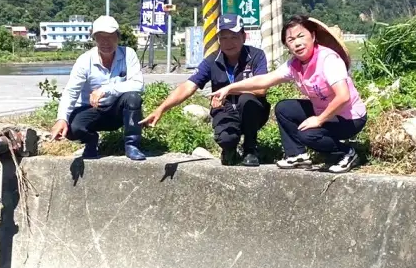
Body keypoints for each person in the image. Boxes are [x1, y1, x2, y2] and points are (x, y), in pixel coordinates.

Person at [214, 15, 367, 173]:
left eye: (301, 36)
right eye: (291, 39)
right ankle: (297, 155)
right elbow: (264, 80)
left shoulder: (328, 59)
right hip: (324, 110)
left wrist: (319, 120)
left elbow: (343, 97)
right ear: (287, 45)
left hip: (350, 118)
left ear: (313, 37)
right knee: (284, 108)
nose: (297, 43)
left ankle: (346, 153)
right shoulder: (294, 64)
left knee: (307, 135)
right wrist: (229, 88)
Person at [143, 14, 269, 166]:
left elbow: (261, 88)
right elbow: (188, 86)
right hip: (224, 108)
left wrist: (228, 90)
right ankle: (229, 149)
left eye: (234, 37)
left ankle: (250, 149)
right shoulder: (211, 61)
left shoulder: (256, 55)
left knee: (247, 99)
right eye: (223, 37)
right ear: (218, 40)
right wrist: (161, 109)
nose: (229, 43)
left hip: (252, 111)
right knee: (227, 139)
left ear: (244, 36)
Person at [50, 15, 146, 161]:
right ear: (94, 39)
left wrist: (105, 89)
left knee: (133, 97)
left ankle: (132, 145)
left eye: (110, 37)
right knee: (71, 127)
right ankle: (91, 141)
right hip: (92, 110)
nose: (105, 42)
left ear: (118, 38)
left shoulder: (128, 54)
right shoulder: (84, 60)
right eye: (100, 37)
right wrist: (61, 118)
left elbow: (138, 84)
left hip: (116, 110)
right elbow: (71, 91)